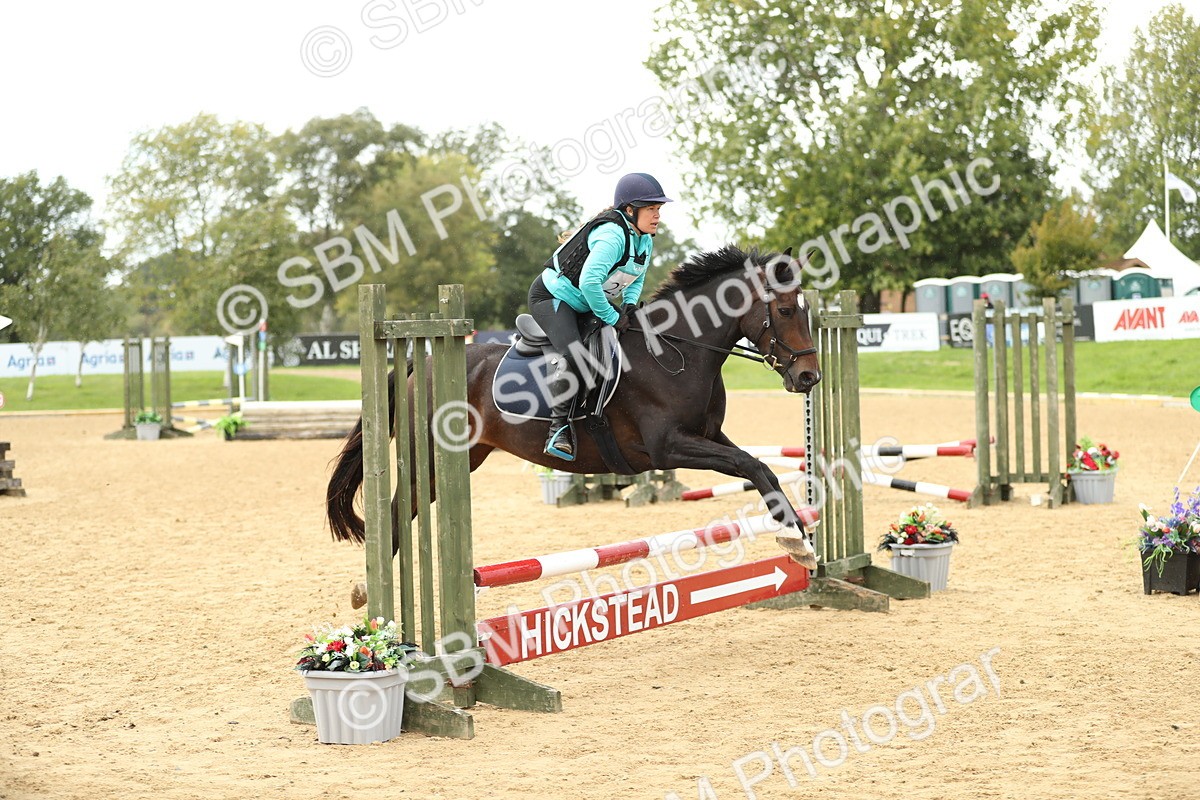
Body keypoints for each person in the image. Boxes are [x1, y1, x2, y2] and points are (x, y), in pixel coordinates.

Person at [527, 172, 672, 461]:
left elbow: (637, 276)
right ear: (630, 210)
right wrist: (611, 316)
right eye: (651, 209)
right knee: (575, 354)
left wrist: (628, 306)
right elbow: (589, 283)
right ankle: (558, 429)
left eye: (658, 209)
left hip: (587, 302)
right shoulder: (612, 236)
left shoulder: (644, 239)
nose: (657, 215)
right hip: (553, 298)